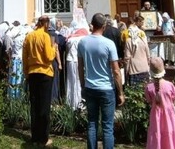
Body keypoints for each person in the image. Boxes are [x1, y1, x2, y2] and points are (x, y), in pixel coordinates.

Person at [78, 13, 125, 149]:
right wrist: (120, 92)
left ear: (92, 25)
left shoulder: (83, 42)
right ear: (104, 26)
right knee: (107, 126)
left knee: (92, 123)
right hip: (106, 88)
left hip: (90, 87)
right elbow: (116, 71)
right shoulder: (109, 44)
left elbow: (80, 67)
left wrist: (83, 85)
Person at [22, 16, 56, 147]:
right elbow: (48, 57)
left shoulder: (29, 36)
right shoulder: (45, 36)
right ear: (46, 24)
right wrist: (54, 48)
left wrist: (26, 72)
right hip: (45, 73)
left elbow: (24, 57)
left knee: (34, 105)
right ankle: (43, 138)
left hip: (32, 72)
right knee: (44, 106)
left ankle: (35, 136)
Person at [144, 57, 175, 149]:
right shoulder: (170, 85)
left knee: (156, 133)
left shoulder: (149, 87)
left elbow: (149, 101)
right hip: (169, 115)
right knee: (170, 132)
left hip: (155, 116)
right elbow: (174, 99)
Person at [123, 16, 151, 86]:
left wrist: (126, 71)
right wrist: (148, 66)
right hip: (144, 68)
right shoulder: (143, 39)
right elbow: (148, 55)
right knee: (145, 89)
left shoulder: (128, 40)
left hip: (134, 70)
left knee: (135, 90)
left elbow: (127, 58)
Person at [65, 25, 88, 108]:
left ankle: (70, 101)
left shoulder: (70, 39)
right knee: (78, 81)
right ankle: (78, 101)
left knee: (70, 81)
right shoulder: (83, 39)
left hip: (69, 61)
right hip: (78, 61)